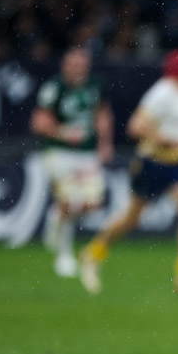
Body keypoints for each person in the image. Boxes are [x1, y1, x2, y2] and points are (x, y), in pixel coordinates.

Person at [79, 48, 178, 295]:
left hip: (177, 163)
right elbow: (136, 127)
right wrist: (169, 141)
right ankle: (93, 253)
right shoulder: (162, 93)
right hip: (151, 161)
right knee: (131, 219)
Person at [30, 48, 113, 277]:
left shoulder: (95, 85)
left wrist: (105, 143)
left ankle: (55, 217)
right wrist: (63, 133)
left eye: (81, 65)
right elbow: (38, 122)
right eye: (73, 65)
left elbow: (103, 114)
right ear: (64, 66)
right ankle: (64, 256)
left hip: (86, 154)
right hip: (60, 152)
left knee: (94, 203)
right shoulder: (54, 88)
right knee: (70, 199)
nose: (77, 69)